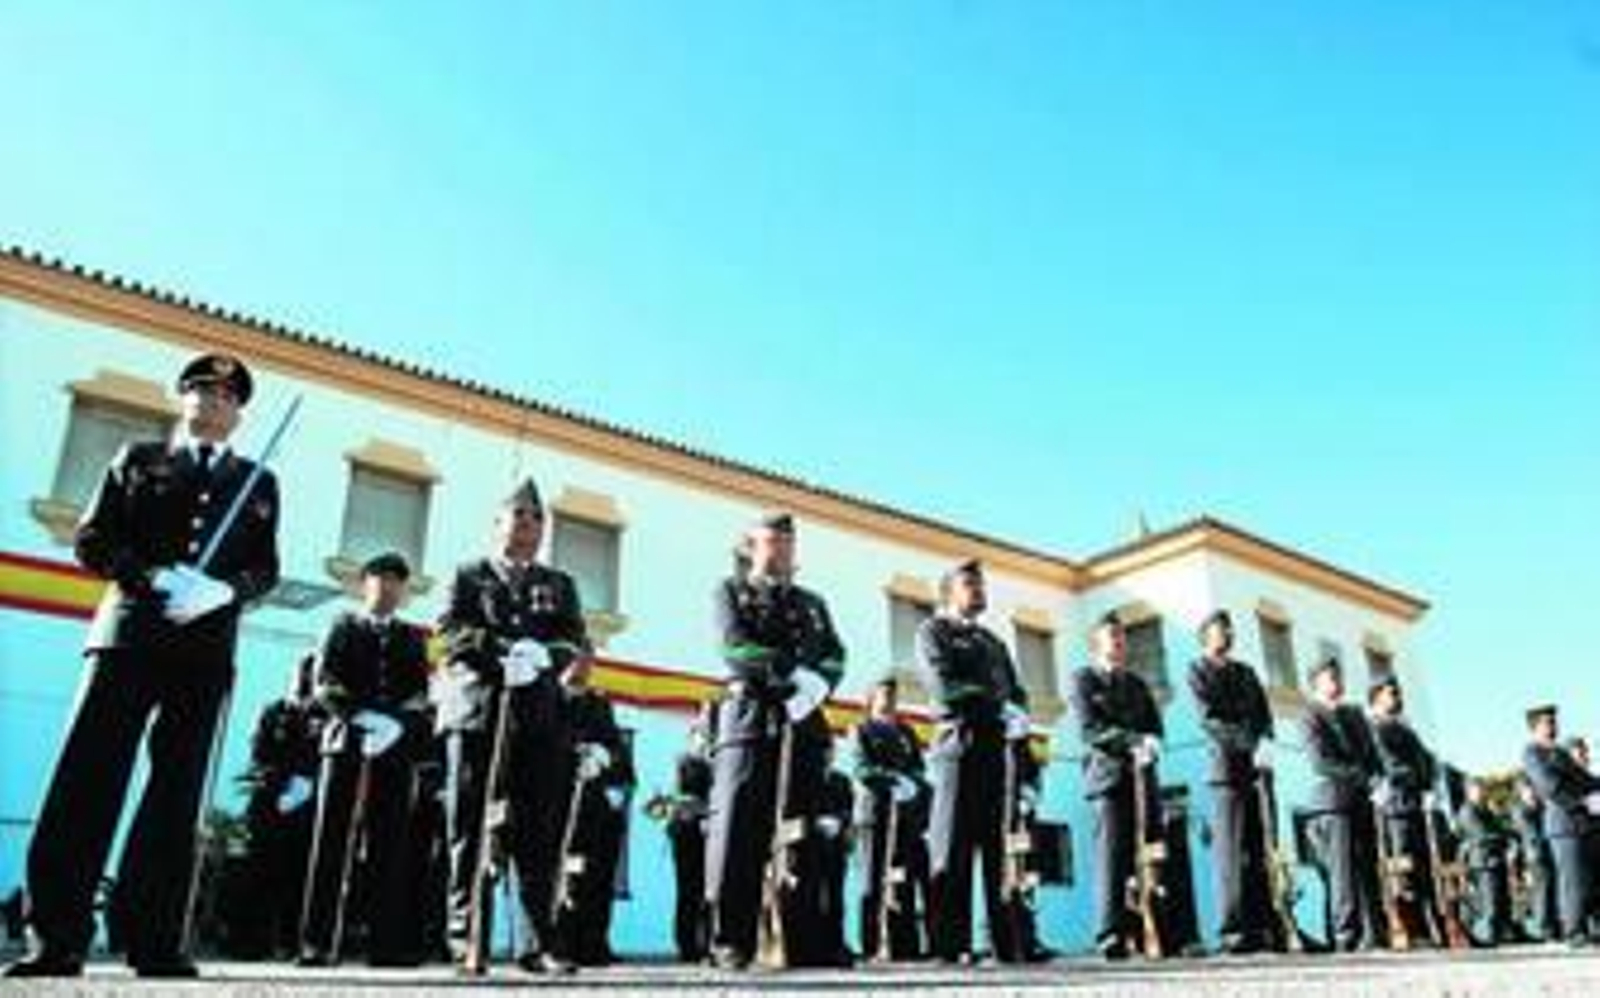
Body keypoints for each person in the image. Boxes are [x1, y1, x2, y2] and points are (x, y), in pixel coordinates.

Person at [8, 353, 280, 979]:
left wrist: (225, 591)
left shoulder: (257, 482)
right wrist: (150, 576)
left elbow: (265, 567)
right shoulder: (139, 459)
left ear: (239, 414)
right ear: (183, 398)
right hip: (129, 636)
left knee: (176, 793)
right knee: (88, 779)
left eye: (227, 396)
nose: (214, 401)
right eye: (202, 390)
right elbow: (92, 539)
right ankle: (56, 935)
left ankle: (152, 938)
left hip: (203, 649)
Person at [435, 478, 590, 974]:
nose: (526, 525)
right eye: (517, 515)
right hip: (476, 711)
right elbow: (449, 630)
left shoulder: (559, 584)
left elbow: (573, 636)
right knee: (469, 827)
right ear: (498, 523)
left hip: (538, 717)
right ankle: (467, 938)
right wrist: (501, 652)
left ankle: (535, 943)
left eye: (535, 518)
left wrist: (544, 655)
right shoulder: (469, 574)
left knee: (537, 831)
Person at [704, 512, 845, 969]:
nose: (782, 548)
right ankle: (731, 940)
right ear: (751, 548)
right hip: (752, 717)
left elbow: (836, 653)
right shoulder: (731, 591)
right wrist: (791, 676)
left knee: (804, 829)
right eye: (772, 540)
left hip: (804, 719)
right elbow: (735, 646)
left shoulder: (813, 602)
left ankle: (804, 939)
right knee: (739, 830)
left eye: (788, 541)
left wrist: (819, 686)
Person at [297, 552, 432, 967]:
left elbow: (419, 694)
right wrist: (360, 716)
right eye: (380, 579)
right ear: (364, 584)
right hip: (345, 743)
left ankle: (384, 944)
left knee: (390, 845)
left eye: (396, 582)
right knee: (332, 841)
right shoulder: (342, 625)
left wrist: (395, 724)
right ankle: (317, 942)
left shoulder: (412, 636)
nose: (388, 588)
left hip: (393, 748)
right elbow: (325, 683)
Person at [918, 559, 1037, 964]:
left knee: (1000, 845)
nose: (979, 590)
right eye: (969, 583)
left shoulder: (993, 642)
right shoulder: (934, 632)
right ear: (948, 592)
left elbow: (1016, 692)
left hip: (998, 749)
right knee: (952, 846)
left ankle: (1009, 941)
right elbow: (945, 687)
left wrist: (1018, 715)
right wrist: (997, 705)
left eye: (981, 584)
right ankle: (951, 945)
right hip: (959, 746)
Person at [1067, 611, 1164, 961]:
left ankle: (1151, 927)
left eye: (1123, 636)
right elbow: (1090, 730)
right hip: (1108, 778)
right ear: (1097, 642)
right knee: (1111, 857)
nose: (1120, 642)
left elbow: (1155, 725)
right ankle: (1110, 933)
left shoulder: (1137, 684)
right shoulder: (1084, 679)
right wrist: (1133, 741)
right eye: (1113, 636)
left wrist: (1152, 742)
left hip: (1142, 776)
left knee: (1149, 852)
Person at [1186, 609, 1276, 954]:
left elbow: (1264, 715)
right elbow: (1210, 720)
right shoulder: (1199, 670)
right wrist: (1249, 743)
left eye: (1229, 628)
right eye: (1220, 629)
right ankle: (1233, 930)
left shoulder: (1247, 673)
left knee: (1260, 846)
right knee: (1231, 853)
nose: (1227, 633)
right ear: (1205, 636)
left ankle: (1265, 925)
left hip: (1257, 769)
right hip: (1225, 770)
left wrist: (1266, 741)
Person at [233, 655, 323, 958]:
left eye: (310, 676)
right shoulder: (274, 711)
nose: (303, 682)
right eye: (300, 675)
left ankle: (291, 941)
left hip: (308, 808)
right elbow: (259, 754)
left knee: (300, 876)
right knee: (259, 872)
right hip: (271, 803)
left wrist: (307, 781)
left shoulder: (325, 716)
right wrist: (282, 782)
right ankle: (250, 942)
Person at [549, 655, 635, 967]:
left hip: (596, 802)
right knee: (564, 875)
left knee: (598, 878)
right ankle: (559, 942)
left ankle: (594, 943)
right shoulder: (549, 699)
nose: (584, 667)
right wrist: (575, 752)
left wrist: (606, 758)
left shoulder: (599, 703)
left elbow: (615, 745)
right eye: (578, 660)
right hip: (557, 801)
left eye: (589, 661)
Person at [1300, 655, 1383, 952]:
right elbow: (1321, 761)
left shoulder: (1355, 714)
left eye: (1338, 675)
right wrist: (1362, 776)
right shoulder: (1310, 715)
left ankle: (1374, 933)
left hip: (1363, 800)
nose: (1337, 681)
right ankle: (1346, 935)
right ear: (1316, 683)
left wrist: (1377, 778)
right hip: (1333, 803)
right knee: (1343, 873)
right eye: (1330, 677)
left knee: (1369, 869)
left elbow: (1372, 754)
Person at [850, 675, 930, 961]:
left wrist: (911, 784)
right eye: (884, 694)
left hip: (905, 814)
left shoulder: (906, 732)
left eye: (893, 695)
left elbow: (919, 768)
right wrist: (892, 780)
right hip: (874, 814)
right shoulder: (862, 729)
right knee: (873, 881)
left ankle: (904, 945)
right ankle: (872, 945)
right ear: (872, 698)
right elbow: (862, 769)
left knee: (903, 878)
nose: (889, 700)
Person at [1368, 674, 1442, 947]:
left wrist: (1428, 783)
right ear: (1377, 696)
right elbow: (1391, 765)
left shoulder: (1405, 728)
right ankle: (1412, 930)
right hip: (1395, 809)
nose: (1398, 697)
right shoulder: (1375, 728)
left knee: (1424, 871)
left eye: (1398, 692)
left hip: (1415, 805)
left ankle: (1434, 929)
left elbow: (1428, 761)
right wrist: (1417, 777)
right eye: (1391, 693)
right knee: (1404, 871)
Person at [1522, 704, 1600, 946]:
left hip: (1584, 825)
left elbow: (1585, 779)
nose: (1554, 726)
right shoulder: (1532, 753)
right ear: (1535, 727)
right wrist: (1583, 802)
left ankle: (1590, 926)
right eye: (1548, 722)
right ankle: (1573, 930)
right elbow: (1550, 786)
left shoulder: (1560, 752)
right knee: (1572, 880)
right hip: (1563, 826)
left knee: (1589, 879)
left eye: (1554, 721)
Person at [1456, 777, 1514, 946]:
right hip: (1482, 861)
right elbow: (1481, 835)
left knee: (1501, 899)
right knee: (1489, 900)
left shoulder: (1486, 809)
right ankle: (1485, 935)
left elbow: (1502, 829)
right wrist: (1502, 837)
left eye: (1484, 789)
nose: (1483, 793)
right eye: (1479, 789)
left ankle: (1499, 932)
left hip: (1495, 858)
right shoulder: (1467, 811)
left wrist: (1503, 831)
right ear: (1469, 792)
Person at [1511, 777, 1557, 942]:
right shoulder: (1520, 810)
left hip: (1548, 853)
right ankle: (1545, 929)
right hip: (1535, 856)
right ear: (1521, 792)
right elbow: (1531, 835)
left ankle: (1553, 926)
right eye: (1528, 789)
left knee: (1550, 890)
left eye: (1533, 789)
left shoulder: (1540, 807)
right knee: (1541, 893)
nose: (1532, 792)